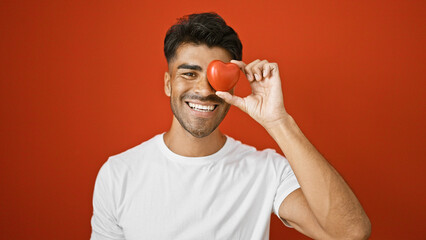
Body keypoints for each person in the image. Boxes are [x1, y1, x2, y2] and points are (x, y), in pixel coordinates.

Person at [90, 12, 371, 240]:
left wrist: (278, 121)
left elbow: (351, 232)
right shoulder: (118, 174)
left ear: (235, 82)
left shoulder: (266, 171)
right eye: (189, 73)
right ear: (168, 84)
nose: (204, 90)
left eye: (216, 78)